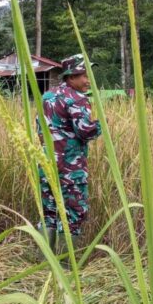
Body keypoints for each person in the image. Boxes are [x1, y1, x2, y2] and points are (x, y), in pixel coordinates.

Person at [37, 54, 102, 251]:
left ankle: (45, 261)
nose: (87, 81)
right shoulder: (78, 99)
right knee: (73, 212)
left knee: (49, 211)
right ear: (71, 76)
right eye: (83, 75)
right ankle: (66, 265)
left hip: (46, 163)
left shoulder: (47, 96)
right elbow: (85, 131)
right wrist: (99, 125)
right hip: (69, 167)